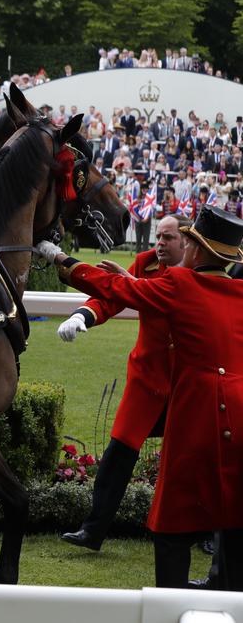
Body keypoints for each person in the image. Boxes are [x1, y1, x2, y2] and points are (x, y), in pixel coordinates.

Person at [38, 205, 243, 590]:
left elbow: (117, 289)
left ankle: (173, 603)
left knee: (173, 525)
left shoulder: (181, 283)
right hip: (236, 409)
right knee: (235, 518)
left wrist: (59, 257)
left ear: (196, 250)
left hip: (195, 407)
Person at [58, 215, 188, 551]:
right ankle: (93, 531)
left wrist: (130, 282)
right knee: (118, 455)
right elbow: (112, 296)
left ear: (187, 241)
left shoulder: (201, 272)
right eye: (157, 236)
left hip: (188, 385)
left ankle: (208, 536)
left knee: (193, 463)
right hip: (148, 381)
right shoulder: (144, 264)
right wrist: (82, 315)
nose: (159, 243)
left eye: (168, 238)